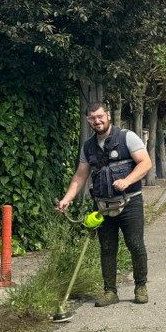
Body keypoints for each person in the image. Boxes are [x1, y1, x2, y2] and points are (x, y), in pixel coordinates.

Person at [56, 102, 153, 306]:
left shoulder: (127, 137)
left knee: (135, 245)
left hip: (130, 202)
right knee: (107, 248)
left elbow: (145, 163)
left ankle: (140, 287)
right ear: (88, 120)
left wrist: (127, 180)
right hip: (103, 206)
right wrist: (66, 199)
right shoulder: (88, 147)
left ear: (108, 115)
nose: (97, 121)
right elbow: (80, 176)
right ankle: (110, 292)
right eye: (92, 118)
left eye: (100, 116)